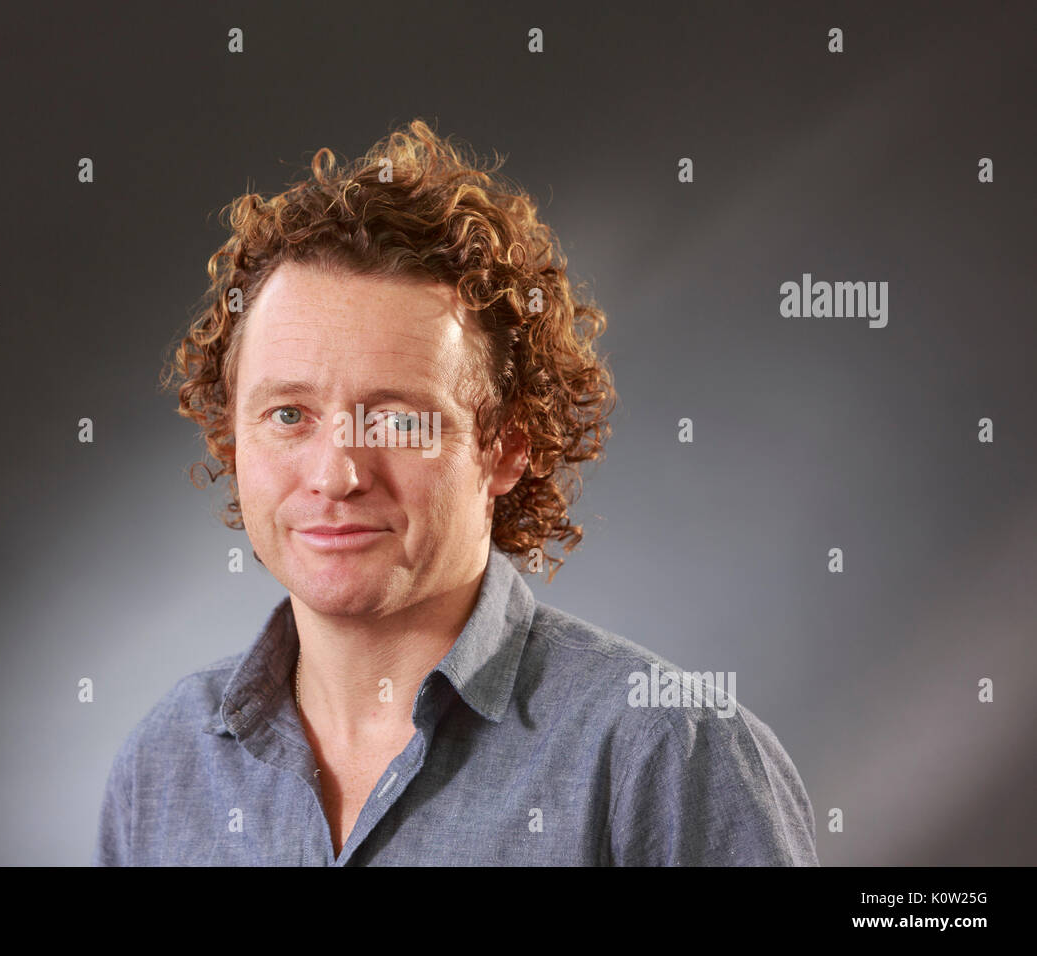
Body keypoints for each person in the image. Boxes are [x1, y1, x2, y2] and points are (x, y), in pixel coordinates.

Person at [93, 119, 818, 865]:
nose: (338, 474)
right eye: (288, 415)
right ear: (231, 438)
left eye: (399, 420)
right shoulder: (166, 766)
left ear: (508, 446)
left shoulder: (662, 755)